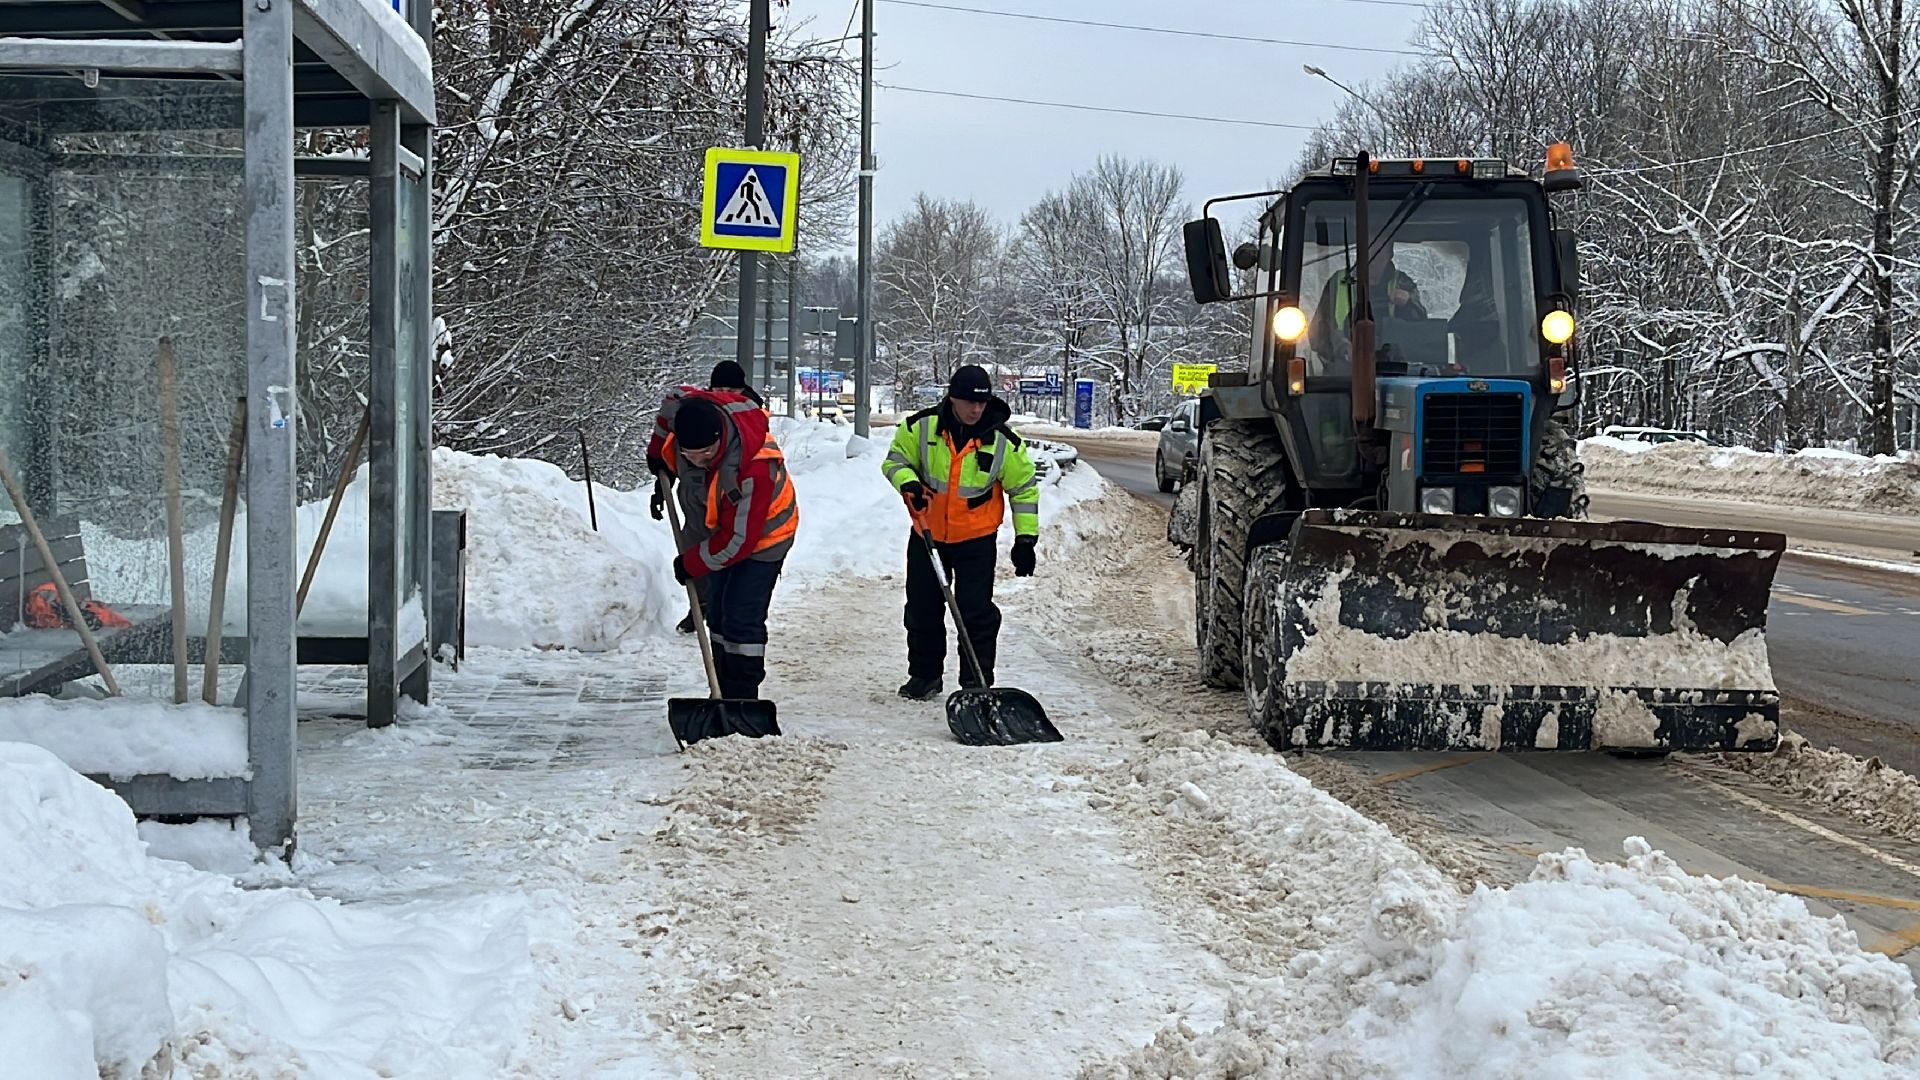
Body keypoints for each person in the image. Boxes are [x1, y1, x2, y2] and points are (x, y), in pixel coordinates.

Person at [882, 364, 1040, 700]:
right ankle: (924, 676)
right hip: (928, 535)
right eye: (969, 402)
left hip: (976, 540)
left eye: (981, 403)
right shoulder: (920, 428)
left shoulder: (1003, 442)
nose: (975, 409)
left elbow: (1024, 488)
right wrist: (908, 483)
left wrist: (1026, 539)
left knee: (976, 612)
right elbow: (895, 461)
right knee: (922, 609)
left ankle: (976, 681)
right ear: (953, 398)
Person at [665, 393, 798, 699]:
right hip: (726, 531)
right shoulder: (684, 424)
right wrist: (657, 455)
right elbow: (668, 409)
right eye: (690, 455)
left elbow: (738, 542)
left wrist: (692, 564)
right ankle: (723, 689)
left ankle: (742, 696)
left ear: (719, 439)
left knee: (741, 614)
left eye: (706, 453)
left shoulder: (753, 468)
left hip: (766, 537)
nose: (699, 462)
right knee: (719, 612)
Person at [647, 360, 766, 633]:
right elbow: (669, 424)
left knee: (725, 555)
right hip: (694, 498)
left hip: (729, 503)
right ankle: (699, 607)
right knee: (694, 551)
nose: (724, 393)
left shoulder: (749, 423)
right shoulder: (696, 412)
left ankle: (724, 610)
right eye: (719, 387)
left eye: (731, 388)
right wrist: (659, 472)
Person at [1305, 238, 1429, 362]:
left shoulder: (1403, 283)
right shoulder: (1338, 283)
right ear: (1359, 252)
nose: (1373, 256)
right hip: (1344, 374)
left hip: (1397, 369)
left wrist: (1409, 303)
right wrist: (1343, 348)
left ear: (1390, 254)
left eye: (1380, 251)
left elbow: (1422, 332)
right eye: (1369, 250)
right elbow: (1318, 334)